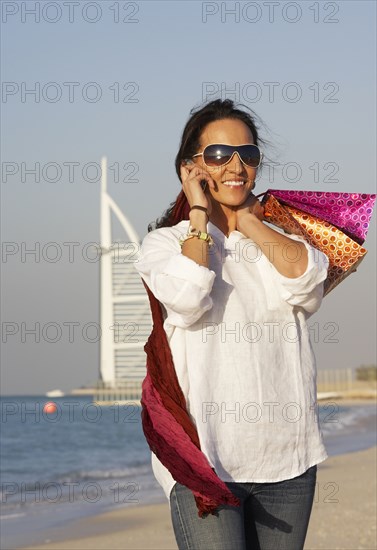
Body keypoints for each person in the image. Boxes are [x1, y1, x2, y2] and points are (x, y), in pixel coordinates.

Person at [134, 99, 329, 550]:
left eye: (248, 154)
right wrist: (200, 214)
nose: (236, 165)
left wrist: (249, 224)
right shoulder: (165, 244)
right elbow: (186, 297)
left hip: (289, 458)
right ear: (191, 167)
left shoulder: (285, 239)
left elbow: (307, 282)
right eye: (220, 154)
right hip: (204, 461)